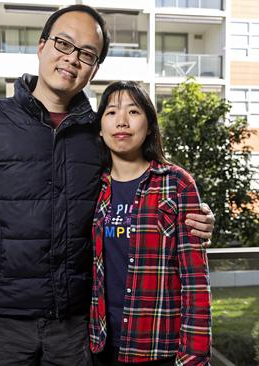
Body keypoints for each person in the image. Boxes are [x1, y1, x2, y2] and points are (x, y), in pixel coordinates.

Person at [0, 5, 215, 365]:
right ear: (41, 45)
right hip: (2, 321)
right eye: (64, 44)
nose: (71, 59)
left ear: (95, 68)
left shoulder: (99, 133)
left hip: (76, 325)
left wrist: (198, 218)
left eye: (86, 54)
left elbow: (143, 190)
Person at [89, 81, 211, 366]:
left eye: (133, 111)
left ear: (150, 125)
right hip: (102, 346)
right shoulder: (92, 186)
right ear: (100, 127)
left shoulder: (177, 183)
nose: (121, 121)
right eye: (111, 113)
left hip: (159, 347)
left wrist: (194, 355)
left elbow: (195, 280)